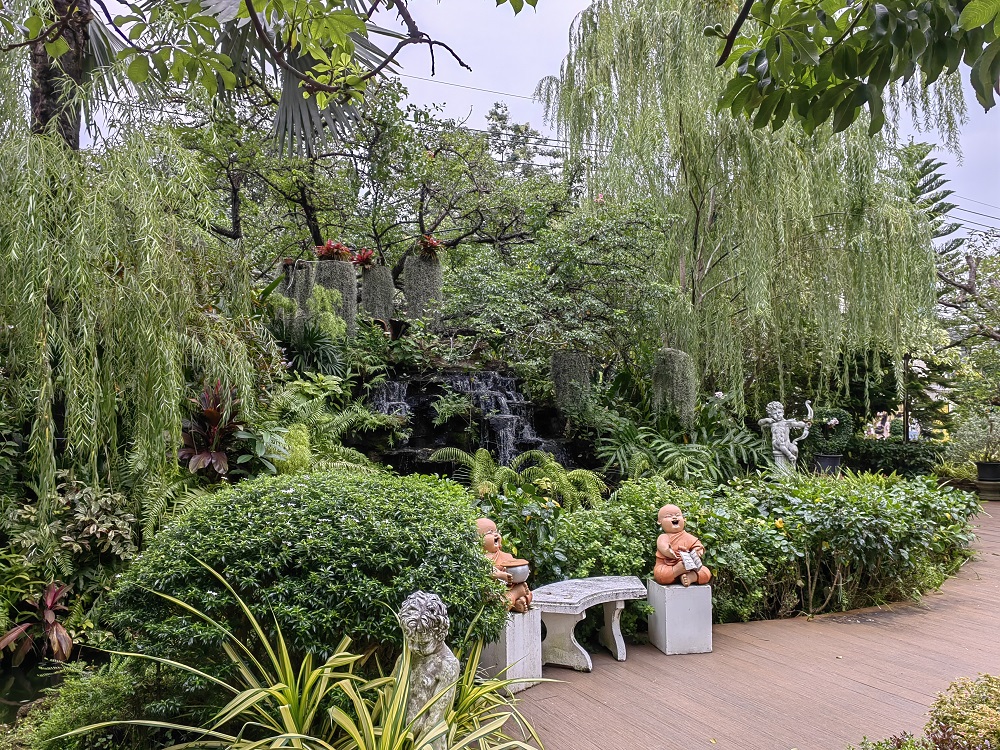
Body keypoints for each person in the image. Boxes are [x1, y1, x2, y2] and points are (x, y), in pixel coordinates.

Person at [398, 591, 460, 750]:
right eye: (411, 641)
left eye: (424, 643)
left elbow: (435, 716)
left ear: (439, 634)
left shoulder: (447, 665)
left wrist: (416, 745)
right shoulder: (408, 655)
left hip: (428, 741)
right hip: (399, 736)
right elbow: (391, 688)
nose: (415, 648)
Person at [476, 518, 532, 612]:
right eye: (490, 532)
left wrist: (522, 570)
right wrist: (500, 575)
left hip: (510, 586)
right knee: (498, 605)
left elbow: (515, 565)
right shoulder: (479, 558)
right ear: (477, 539)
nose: (496, 534)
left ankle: (519, 601)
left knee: (528, 593)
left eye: (496, 531)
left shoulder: (506, 555)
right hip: (495, 593)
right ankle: (515, 595)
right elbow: (485, 572)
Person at [653, 504, 712, 587]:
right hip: (668, 566)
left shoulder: (688, 536)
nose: (674, 517)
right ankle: (677, 570)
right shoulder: (663, 537)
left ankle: (691, 577)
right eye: (669, 516)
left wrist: (697, 552)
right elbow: (663, 546)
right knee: (660, 574)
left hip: (689, 566)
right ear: (660, 522)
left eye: (677, 515)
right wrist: (669, 552)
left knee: (706, 572)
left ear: (684, 519)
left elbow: (697, 545)